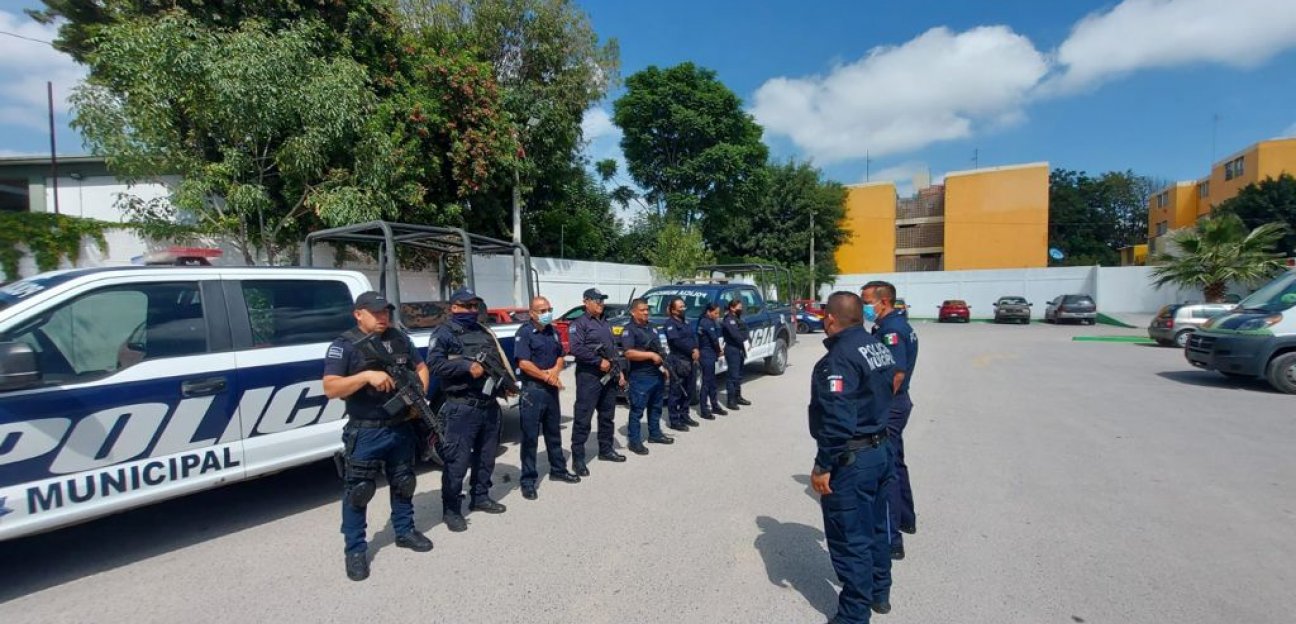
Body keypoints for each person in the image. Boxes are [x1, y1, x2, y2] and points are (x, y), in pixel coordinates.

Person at [323, 291, 433, 582]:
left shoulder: (399, 338)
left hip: (401, 426)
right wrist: (365, 377)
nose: (384, 316)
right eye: (376, 312)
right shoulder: (344, 346)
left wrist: (417, 394)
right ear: (358, 313)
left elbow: (421, 367)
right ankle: (355, 550)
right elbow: (331, 388)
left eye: (386, 311)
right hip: (366, 431)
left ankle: (405, 531)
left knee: (404, 482)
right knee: (359, 491)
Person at [809, 291, 897, 622]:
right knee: (875, 526)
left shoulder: (839, 358)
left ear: (831, 318)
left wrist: (823, 465)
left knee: (851, 540)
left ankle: (853, 615)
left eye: (823, 317)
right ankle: (880, 591)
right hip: (880, 450)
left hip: (853, 458)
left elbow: (836, 421)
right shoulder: (876, 345)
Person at [427, 287, 511, 533]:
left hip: (488, 404)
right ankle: (451, 510)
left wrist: (505, 385)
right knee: (457, 461)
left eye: (475, 306)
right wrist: (465, 366)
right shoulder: (444, 333)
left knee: (486, 457)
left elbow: (496, 363)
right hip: (461, 406)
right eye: (467, 306)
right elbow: (435, 364)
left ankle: (481, 496)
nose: (472, 310)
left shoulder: (483, 331)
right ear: (454, 308)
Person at [862, 281, 920, 560]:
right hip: (898, 403)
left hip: (892, 404)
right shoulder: (889, 325)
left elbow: (896, 373)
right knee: (896, 460)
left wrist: (879, 406)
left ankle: (891, 537)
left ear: (883, 302)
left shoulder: (892, 330)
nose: (865, 307)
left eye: (867, 301)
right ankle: (906, 518)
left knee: (887, 470)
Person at [513, 296, 582, 500]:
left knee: (553, 432)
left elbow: (561, 355)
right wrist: (547, 377)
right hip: (532, 390)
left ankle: (558, 470)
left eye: (549, 309)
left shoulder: (552, 331)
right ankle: (528, 480)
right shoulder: (524, 333)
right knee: (530, 437)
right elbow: (524, 363)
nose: (547, 313)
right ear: (532, 313)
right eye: (542, 310)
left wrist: (554, 372)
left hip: (550, 390)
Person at [568, 287, 626, 474]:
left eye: (602, 300)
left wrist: (620, 372)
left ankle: (606, 449)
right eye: (597, 300)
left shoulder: (606, 323)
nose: (601, 303)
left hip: (609, 375)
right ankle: (578, 458)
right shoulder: (579, 324)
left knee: (607, 415)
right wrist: (597, 361)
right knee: (583, 418)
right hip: (589, 376)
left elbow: (612, 350)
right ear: (586, 301)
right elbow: (576, 348)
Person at [621, 298, 676, 449]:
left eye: (647, 309)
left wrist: (664, 367)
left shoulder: (652, 327)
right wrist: (650, 356)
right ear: (633, 312)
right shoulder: (629, 330)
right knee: (637, 410)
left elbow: (659, 349)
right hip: (640, 376)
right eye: (642, 310)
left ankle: (655, 434)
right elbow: (629, 353)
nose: (646, 312)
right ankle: (634, 441)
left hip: (656, 374)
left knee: (656, 407)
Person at [664, 296, 703, 428]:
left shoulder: (685, 322)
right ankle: (674, 420)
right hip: (678, 360)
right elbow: (676, 341)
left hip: (690, 360)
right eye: (680, 307)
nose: (683, 309)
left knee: (689, 389)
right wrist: (692, 350)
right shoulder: (670, 324)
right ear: (674, 310)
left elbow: (693, 337)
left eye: (684, 306)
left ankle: (684, 415)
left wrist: (696, 348)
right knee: (676, 391)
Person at [695, 303, 728, 418]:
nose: (717, 316)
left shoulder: (705, 321)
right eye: (715, 313)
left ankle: (714, 405)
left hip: (709, 354)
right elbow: (714, 340)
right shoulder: (707, 323)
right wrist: (719, 351)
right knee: (707, 383)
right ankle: (704, 409)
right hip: (706, 355)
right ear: (708, 312)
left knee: (713, 382)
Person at [721, 298, 752, 410]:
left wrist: (748, 341)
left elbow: (744, 331)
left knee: (738, 375)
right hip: (733, 349)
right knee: (732, 376)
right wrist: (745, 341)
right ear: (732, 308)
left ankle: (738, 396)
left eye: (741, 307)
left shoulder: (738, 318)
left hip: (741, 349)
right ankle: (731, 400)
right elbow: (735, 335)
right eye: (739, 307)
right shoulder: (729, 320)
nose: (741, 309)